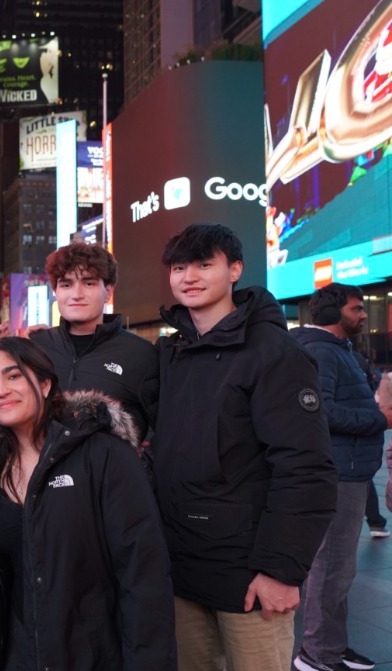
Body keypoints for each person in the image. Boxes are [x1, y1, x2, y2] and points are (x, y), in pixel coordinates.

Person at [155, 224, 336, 671]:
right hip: (182, 570)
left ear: (235, 269)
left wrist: (281, 570)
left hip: (252, 577)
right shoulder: (172, 353)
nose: (189, 277)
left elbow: (305, 468)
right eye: (179, 268)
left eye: (204, 264)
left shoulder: (274, 352)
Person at [0, 337, 174, 668]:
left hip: (93, 654)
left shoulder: (103, 453)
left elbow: (144, 574)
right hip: (22, 655)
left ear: (44, 384)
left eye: (14, 376)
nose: (1, 391)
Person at [289, 283, 391, 671]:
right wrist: (380, 419)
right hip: (338, 473)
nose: (364, 315)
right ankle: (317, 655)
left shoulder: (334, 350)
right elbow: (322, 412)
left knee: (338, 568)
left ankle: (333, 645)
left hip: (347, 470)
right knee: (332, 566)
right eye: (357, 308)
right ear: (333, 312)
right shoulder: (322, 352)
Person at [30, 242, 158, 441]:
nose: (76, 295)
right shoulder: (35, 346)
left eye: (88, 283)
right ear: (55, 291)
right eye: (66, 284)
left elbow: (161, 431)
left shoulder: (141, 354)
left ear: (108, 291)